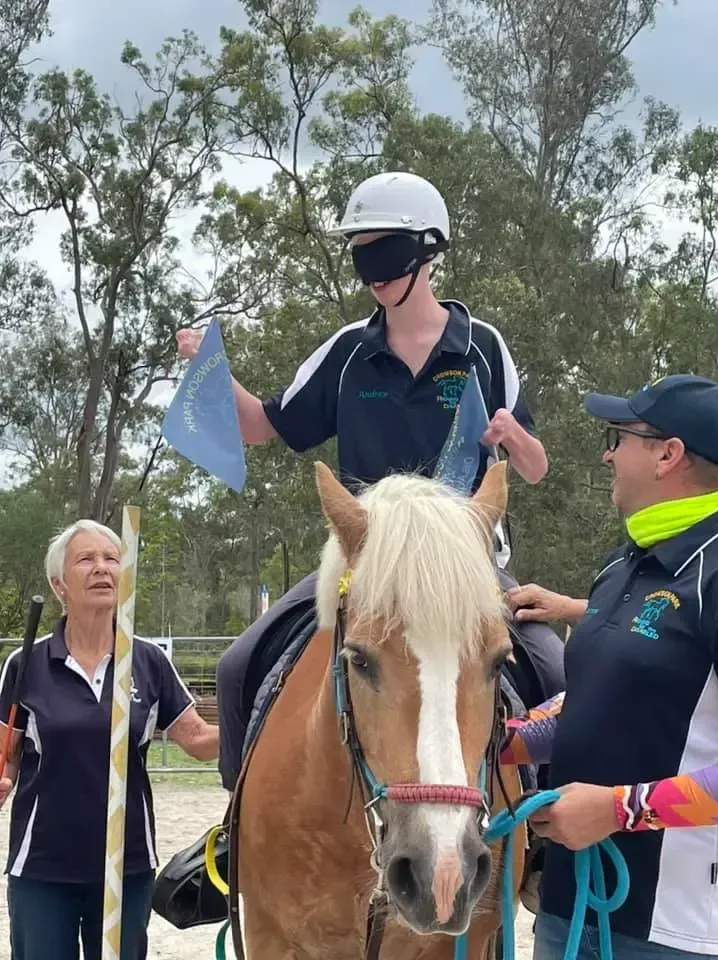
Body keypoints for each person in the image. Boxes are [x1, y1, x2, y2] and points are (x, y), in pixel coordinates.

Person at [176, 170, 564, 791]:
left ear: (427, 250)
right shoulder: (346, 351)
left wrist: (512, 437)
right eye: (362, 256)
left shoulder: (484, 346)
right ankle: (238, 823)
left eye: (386, 252)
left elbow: (537, 467)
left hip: (464, 566)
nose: (375, 272)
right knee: (235, 666)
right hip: (364, 563)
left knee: (553, 668)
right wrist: (211, 372)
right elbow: (262, 426)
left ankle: (545, 836)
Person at [501, 374, 718, 959]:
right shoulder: (622, 565)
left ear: (667, 455)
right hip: (571, 910)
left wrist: (618, 809)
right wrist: (504, 741)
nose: (607, 452)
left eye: (618, 437)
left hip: (675, 929)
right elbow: (594, 699)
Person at [0, 519, 220, 960]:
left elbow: (196, 740)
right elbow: (5, 757)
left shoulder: (148, 661)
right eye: (86, 559)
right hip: (43, 866)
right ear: (59, 584)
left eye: (111, 559)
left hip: (127, 865)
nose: (101, 568)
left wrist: (260, 721)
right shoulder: (27, 663)